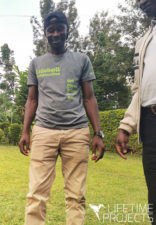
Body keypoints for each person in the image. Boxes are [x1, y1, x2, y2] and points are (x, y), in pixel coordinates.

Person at [19, 11, 105, 225]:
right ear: (45, 34)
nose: (55, 34)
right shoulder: (36, 64)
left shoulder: (81, 60)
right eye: (51, 30)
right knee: (36, 194)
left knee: (76, 196)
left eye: (59, 29)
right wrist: (25, 132)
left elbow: (89, 98)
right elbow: (31, 100)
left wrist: (97, 133)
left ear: (68, 31)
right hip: (44, 132)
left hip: (76, 133)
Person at [115, 0, 156, 224]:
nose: (141, 3)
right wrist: (126, 125)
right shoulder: (143, 42)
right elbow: (138, 90)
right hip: (151, 122)